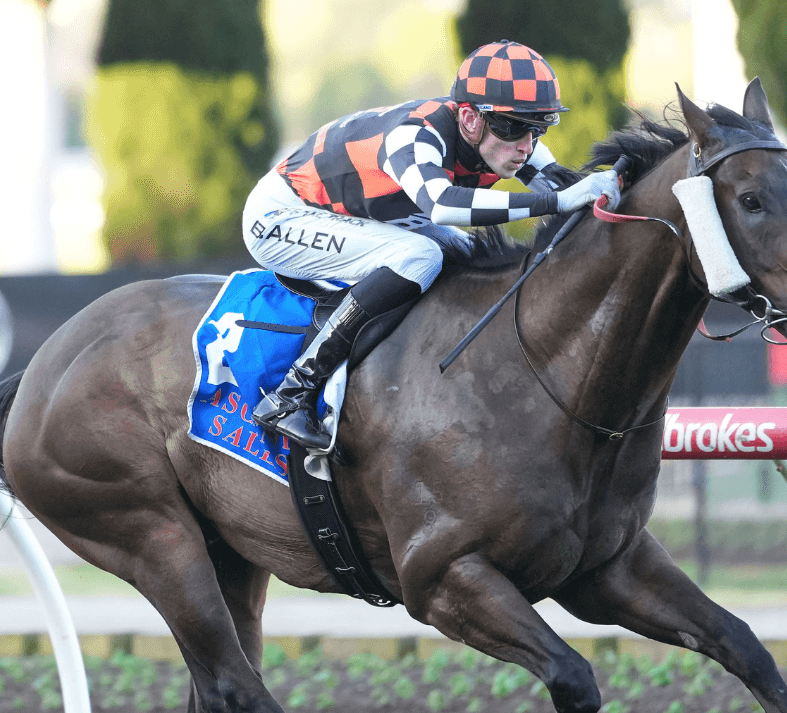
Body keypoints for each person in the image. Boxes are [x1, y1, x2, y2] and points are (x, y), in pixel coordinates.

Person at [243, 39, 622, 451]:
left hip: (358, 216)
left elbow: (569, 190)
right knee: (421, 256)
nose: (525, 147)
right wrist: (558, 200)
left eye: (537, 129)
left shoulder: (505, 138)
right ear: (469, 119)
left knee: (468, 254)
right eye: (513, 128)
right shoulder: (415, 137)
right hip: (281, 216)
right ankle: (291, 394)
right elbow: (443, 205)